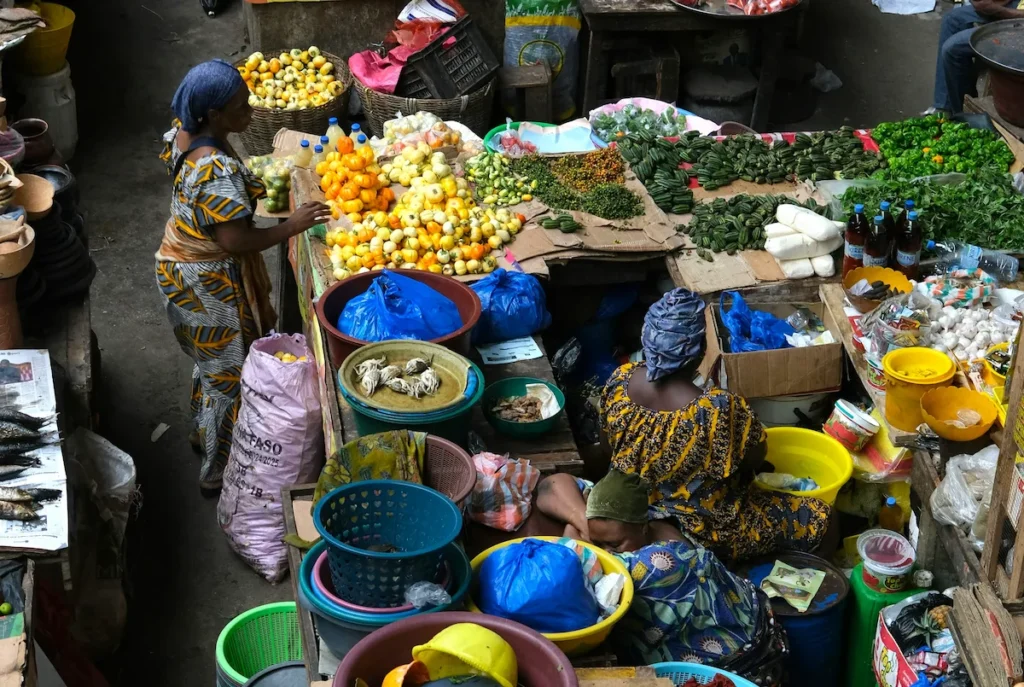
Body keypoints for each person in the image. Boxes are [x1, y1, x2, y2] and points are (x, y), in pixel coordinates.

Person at [537, 288, 830, 561]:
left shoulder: (620, 381)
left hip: (626, 511)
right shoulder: (717, 409)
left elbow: (607, 449)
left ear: (647, 341)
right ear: (700, 349)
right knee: (818, 516)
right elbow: (754, 459)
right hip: (705, 528)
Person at [155, 60, 330, 494]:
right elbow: (235, 240)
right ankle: (217, 471)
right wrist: (295, 224)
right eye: (239, 107)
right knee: (227, 373)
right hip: (206, 282)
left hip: (178, 266)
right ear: (213, 115)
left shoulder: (183, 133)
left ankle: (203, 433)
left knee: (212, 361)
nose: (249, 112)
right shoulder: (215, 170)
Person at [931, 0, 1024, 113]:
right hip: (1017, 7)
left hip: (1018, 25)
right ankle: (944, 106)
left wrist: (1001, 11)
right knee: (952, 20)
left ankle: (962, 113)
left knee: (953, 48)